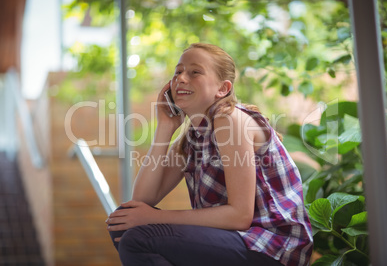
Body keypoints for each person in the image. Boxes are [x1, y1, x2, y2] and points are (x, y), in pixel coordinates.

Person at [106, 43, 313, 266]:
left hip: (271, 246)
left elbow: (240, 216)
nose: (181, 78)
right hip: (235, 240)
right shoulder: (192, 137)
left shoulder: (230, 120)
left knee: (139, 239)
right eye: (178, 72)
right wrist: (165, 127)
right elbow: (141, 202)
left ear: (222, 89)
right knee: (123, 222)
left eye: (195, 72)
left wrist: (155, 217)